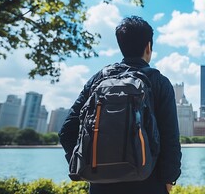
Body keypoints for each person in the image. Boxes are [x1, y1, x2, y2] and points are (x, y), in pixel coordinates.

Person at [59, 16, 182, 194]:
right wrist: (169, 179)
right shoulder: (159, 82)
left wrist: (84, 165)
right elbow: (170, 139)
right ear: (148, 47)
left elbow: (67, 130)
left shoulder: (98, 79)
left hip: (101, 186)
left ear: (121, 45)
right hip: (149, 183)